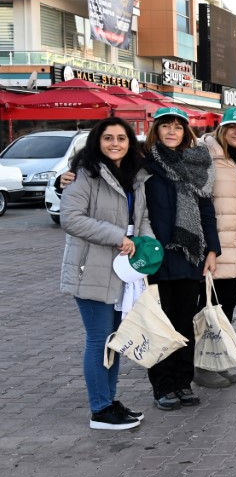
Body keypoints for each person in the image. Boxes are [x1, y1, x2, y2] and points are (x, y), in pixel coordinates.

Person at [60, 117, 152, 430]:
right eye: (108, 138)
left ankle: (109, 402)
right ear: (97, 141)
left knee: (114, 339)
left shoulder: (134, 176)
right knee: (100, 340)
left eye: (121, 138)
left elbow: (143, 218)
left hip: (124, 269)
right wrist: (117, 237)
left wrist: (146, 244)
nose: (115, 144)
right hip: (93, 267)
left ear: (130, 143)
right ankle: (100, 409)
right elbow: (70, 219)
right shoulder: (84, 174)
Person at [143, 107, 221, 410]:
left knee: (184, 323)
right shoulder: (144, 164)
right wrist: (65, 178)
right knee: (159, 323)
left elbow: (206, 212)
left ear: (186, 131)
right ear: (157, 130)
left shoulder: (197, 165)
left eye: (178, 126)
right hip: (156, 256)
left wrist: (212, 250)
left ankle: (182, 382)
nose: (172, 131)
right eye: (166, 126)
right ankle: (163, 385)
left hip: (190, 256)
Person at [194, 107, 236, 389]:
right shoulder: (204, 154)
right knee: (205, 309)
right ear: (222, 129)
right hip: (213, 249)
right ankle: (199, 366)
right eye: (232, 126)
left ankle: (214, 361)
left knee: (224, 309)